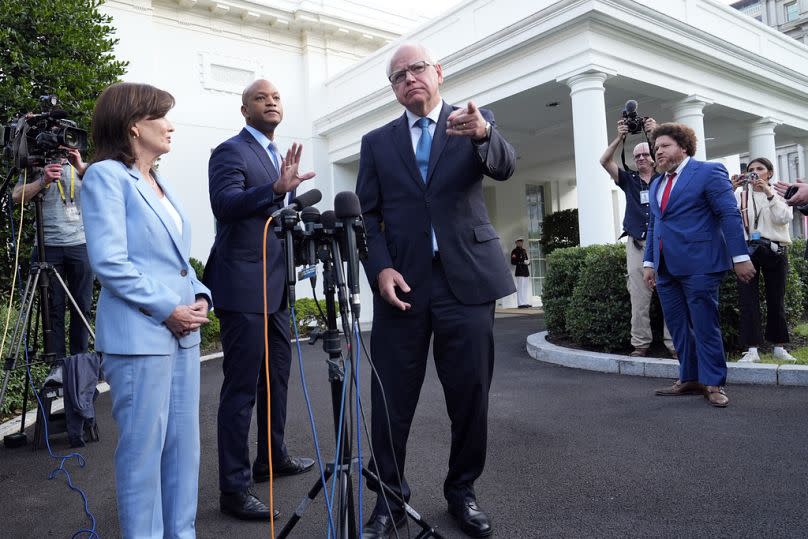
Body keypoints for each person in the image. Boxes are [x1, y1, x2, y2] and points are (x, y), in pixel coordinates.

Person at [355, 42, 516, 539]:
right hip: (401, 286)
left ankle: (462, 492)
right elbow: (367, 217)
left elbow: (505, 166)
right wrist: (379, 269)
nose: (409, 79)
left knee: (469, 394)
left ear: (439, 72)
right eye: (398, 75)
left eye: (417, 69)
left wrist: (486, 132)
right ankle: (388, 499)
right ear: (394, 88)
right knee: (390, 399)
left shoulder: (472, 122)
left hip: (465, 279)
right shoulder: (377, 142)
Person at [80, 82, 212, 538]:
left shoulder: (160, 182)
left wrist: (199, 296)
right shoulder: (104, 176)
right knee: (142, 458)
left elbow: (177, 261)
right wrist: (168, 309)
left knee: (183, 452)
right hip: (140, 338)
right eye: (162, 117)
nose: (170, 125)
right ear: (135, 125)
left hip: (182, 336)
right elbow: (110, 262)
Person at [204, 78, 315, 521]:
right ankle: (233, 490)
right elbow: (225, 204)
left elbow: (276, 218)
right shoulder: (230, 151)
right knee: (242, 389)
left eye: (276, 97)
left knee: (277, 380)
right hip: (242, 285)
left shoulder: (277, 154)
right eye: (260, 98)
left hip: (277, 286)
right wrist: (273, 190)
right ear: (244, 108)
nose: (270, 101)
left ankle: (271, 457)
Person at [642, 123, 755, 408]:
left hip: (701, 264)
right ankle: (690, 377)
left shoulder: (708, 171)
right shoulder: (657, 182)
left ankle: (713, 382)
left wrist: (739, 257)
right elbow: (656, 223)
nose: (658, 152)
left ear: (683, 147)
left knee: (705, 326)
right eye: (656, 148)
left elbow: (728, 214)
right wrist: (649, 262)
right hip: (666, 267)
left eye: (664, 146)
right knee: (678, 327)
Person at [600, 118, 675, 358]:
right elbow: (604, 161)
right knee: (639, 296)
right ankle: (640, 344)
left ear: (653, 155)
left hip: (663, 243)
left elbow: (676, 159)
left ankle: (674, 344)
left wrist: (655, 132)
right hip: (636, 243)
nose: (641, 158)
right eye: (637, 156)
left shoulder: (664, 178)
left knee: (670, 293)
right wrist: (620, 138)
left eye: (646, 154)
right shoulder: (628, 180)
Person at [12, 148, 93, 360]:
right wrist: (43, 180)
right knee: (53, 309)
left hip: (80, 244)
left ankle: (79, 362)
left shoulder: (83, 169)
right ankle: (57, 367)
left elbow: (108, 188)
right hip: (47, 246)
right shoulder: (36, 165)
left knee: (82, 306)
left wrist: (81, 166)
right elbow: (16, 196)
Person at [733, 158, 796, 363]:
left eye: (760, 169)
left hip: (775, 250)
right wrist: (728, 188)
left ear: (769, 172)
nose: (755, 173)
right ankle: (752, 349)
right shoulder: (741, 195)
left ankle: (779, 346)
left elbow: (784, 218)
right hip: (748, 251)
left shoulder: (780, 193)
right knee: (747, 300)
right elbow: (730, 220)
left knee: (776, 298)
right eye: (751, 170)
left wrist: (769, 193)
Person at [511, 238, 532, 308]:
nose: (520, 243)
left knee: (525, 287)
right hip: (519, 271)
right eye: (519, 242)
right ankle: (520, 303)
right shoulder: (514, 251)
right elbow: (513, 262)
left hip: (525, 271)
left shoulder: (524, 250)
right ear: (516, 243)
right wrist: (521, 262)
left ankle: (525, 302)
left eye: (521, 242)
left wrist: (528, 262)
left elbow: (526, 259)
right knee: (520, 287)